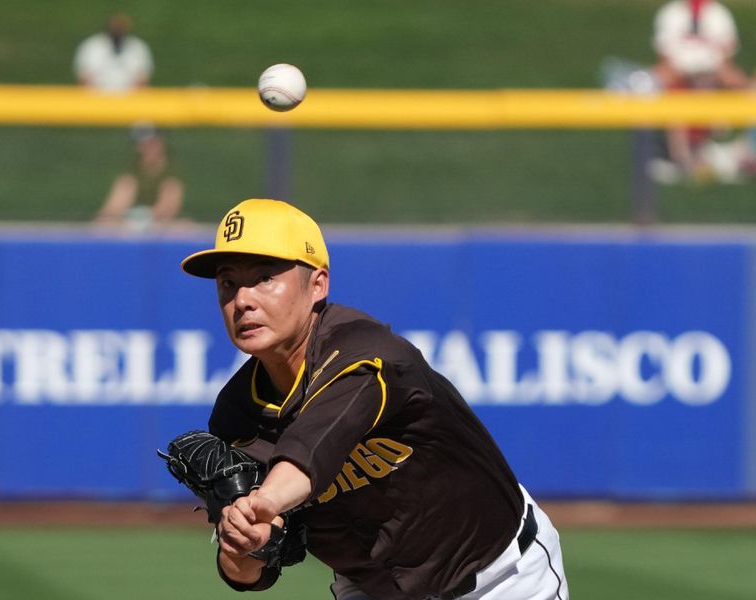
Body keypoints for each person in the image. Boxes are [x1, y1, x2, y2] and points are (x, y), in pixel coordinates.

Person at [178, 198, 569, 600]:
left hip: (498, 579)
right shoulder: (236, 414)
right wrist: (242, 541)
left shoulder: (365, 352)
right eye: (228, 283)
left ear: (318, 285)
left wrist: (263, 501)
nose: (242, 300)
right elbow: (249, 574)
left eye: (264, 278)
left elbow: (310, 446)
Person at [648, 0, 756, 183]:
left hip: (715, 77)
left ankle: (746, 154)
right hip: (680, 78)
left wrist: (711, 70)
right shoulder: (672, 12)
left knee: (749, 87)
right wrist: (693, 67)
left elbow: (727, 63)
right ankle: (682, 160)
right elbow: (665, 62)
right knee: (664, 87)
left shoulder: (718, 13)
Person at [94, 124, 185, 229]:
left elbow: (167, 208)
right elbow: (113, 208)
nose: (146, 149)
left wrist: (144, 219)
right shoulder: (130, 176)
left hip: (162, 228)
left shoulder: (171, 175)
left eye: (151, 143)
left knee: (183, 228)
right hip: (128, 227)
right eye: (142, 144)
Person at [73, 12, 153, 93]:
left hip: (129, 99)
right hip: (96, 98)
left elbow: (142, 80)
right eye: (116, 25)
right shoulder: (92, 46)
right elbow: (84, 78)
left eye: (121, 26)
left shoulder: (138, 48)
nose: (118, 28)